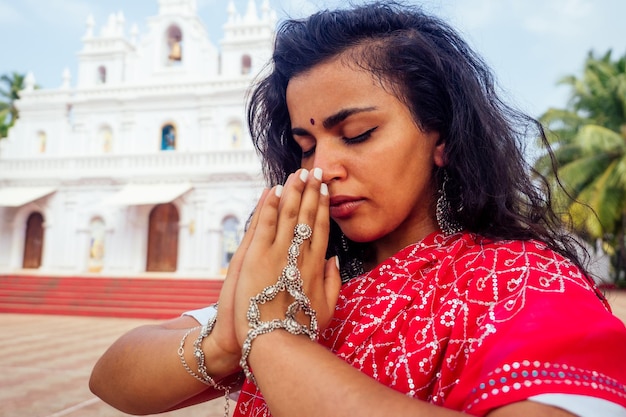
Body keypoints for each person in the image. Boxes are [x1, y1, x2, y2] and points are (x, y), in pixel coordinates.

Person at [89, 2, 626, 416]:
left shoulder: (523, 282)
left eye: (358, 133)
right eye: (305, 146)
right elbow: (112, 377)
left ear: (441, 137)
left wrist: (272, 342)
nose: (321, 168)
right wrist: (232, 339)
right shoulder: (315, 281)